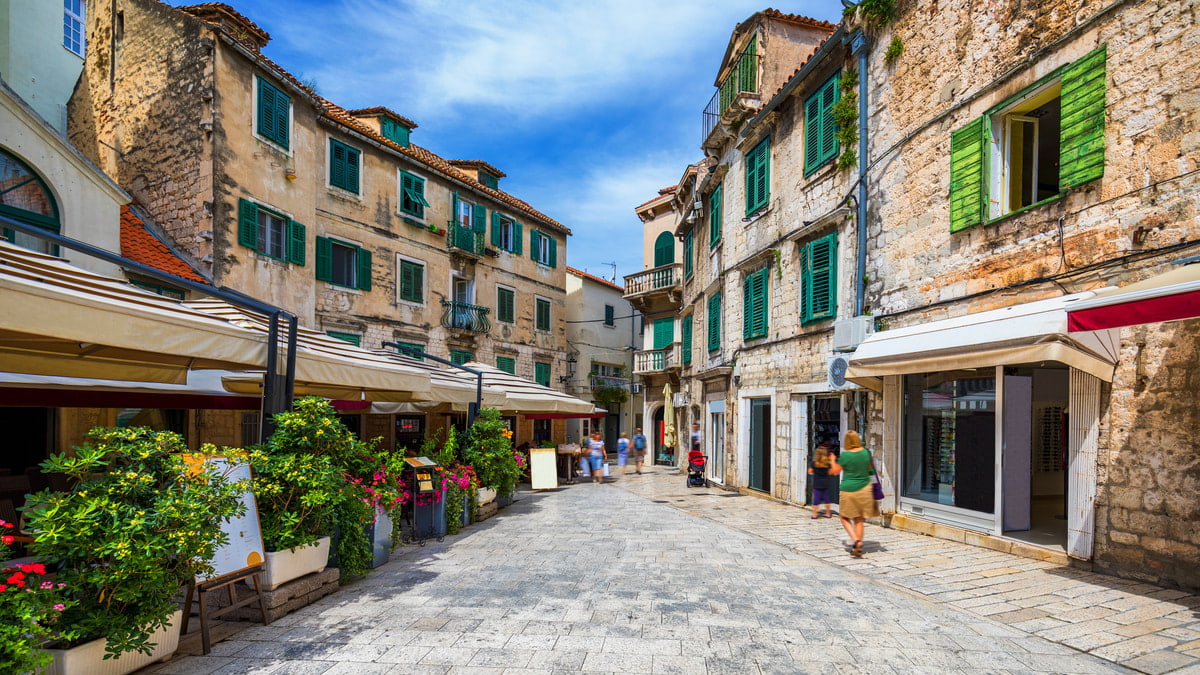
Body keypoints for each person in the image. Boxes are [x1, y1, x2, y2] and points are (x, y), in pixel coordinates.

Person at [830, 430, 878, 558]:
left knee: (844, 517)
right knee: (859, 518)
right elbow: (870, 469)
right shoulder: (866, 453)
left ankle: (856, 541)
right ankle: (859, 544)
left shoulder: (845, 456)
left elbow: (835, 471)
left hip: (849, 489)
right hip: (865, 489)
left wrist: (833, 460)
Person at [808, 442, 835, 519]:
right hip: (825, 483)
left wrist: (814, 472)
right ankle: (828, 513)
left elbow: (809, 471)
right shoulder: (827, 464)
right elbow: (831, 472)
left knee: (816, 499)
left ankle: (814, 514)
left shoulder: (814, 463)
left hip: (817, 483)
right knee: (827, 499)